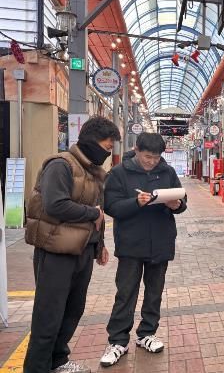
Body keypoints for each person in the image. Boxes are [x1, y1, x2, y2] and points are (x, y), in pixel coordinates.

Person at [23, 116, 121, 373]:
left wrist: (99, 245)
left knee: (72, 310)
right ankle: (37, 367)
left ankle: (58, 360)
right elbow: (55, 205)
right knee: (48, 314)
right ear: (91, 142)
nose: (108, 153)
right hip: (56, 251)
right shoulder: (61, 165)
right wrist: (92, 214)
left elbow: (98, 212)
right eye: (107, 147)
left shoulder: (92, 171)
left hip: (82, 250)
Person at [100, 133, 187, 367]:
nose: (151, 162)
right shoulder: (120, 173)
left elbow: (182, 200)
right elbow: (111, 206)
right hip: (131, 243)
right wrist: (135, 203)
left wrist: (177, 204)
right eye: (148, 157)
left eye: (156, 158)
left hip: (160, 241)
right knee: (126, 293)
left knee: (154, 292)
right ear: (137, 150)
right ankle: (118, 341)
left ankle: (147, 333)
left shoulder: (167, 172)